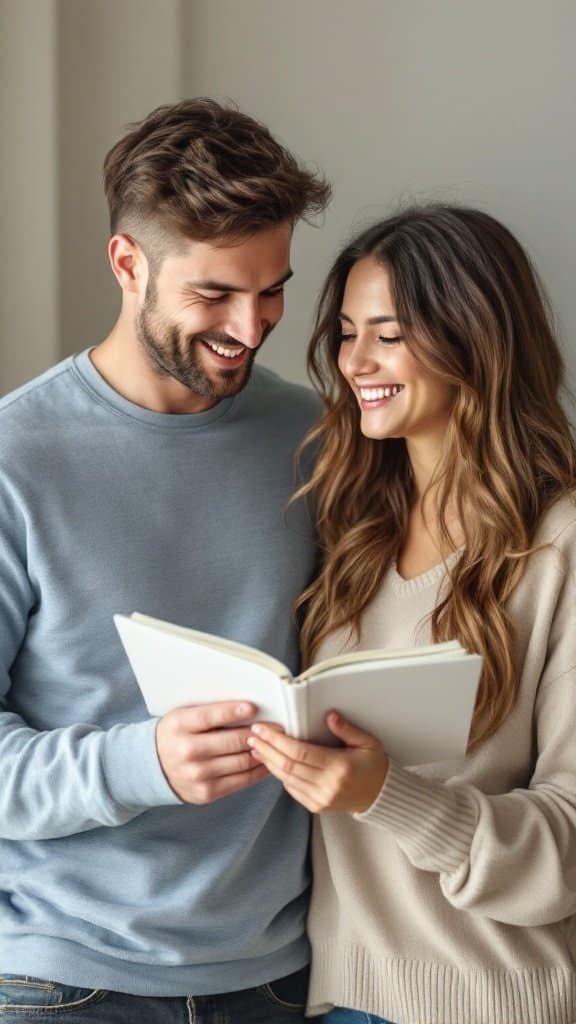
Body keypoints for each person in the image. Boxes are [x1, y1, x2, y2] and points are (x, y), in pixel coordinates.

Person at [0, 98, 331, 1022]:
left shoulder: (316, 437)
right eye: (216, 293)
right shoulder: (15, 459)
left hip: (277, 974)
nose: (252, 324)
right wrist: (140, 762)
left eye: (273, 289)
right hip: (66, 984)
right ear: (126, 263)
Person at [247, 206, 576, 1024]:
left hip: (492, 1003)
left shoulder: (558, 545)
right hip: (333, 1000)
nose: (355, 361)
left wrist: (385, 794)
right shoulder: (353, 529)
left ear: (473, 339)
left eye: (387, 335)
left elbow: (568, 847)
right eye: (349, 332)